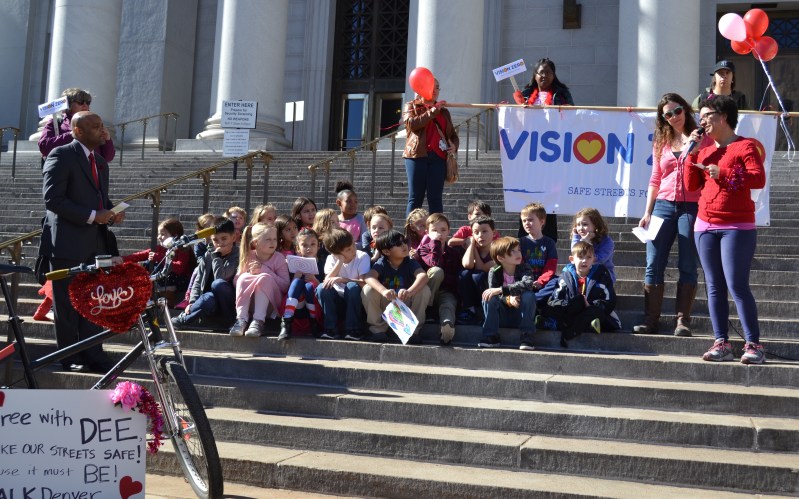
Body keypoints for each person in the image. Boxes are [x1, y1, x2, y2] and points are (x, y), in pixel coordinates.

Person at [40, 111, 124, 373]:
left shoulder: (100, 162)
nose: (102, 131)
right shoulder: (61, 155)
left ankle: (93, 354)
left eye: (102, 125)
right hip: (67, 243)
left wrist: (111, 212)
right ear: (78, 131)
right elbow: (53, 199)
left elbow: (99, 200)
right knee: (67, 304)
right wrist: (91, 216)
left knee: (94, 301)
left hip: (96, 244)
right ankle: (70, 356)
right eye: (96, 126)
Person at [686, 96, 766, 364]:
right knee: (714, 286)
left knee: (736, 284)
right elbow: (690, 184)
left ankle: (753, 344)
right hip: (705, 224)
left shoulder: (745, 146)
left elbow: (758, 178)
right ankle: (721, 342)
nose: (702, 120)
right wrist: (692, 152)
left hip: (737, 225)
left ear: (723, 116)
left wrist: (723, 173)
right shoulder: (706, 149)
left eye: (706, 115)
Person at [635, 93, 708, 337]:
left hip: (691, 205)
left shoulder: (701, 137)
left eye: (677, 111)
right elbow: (655, 178)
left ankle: (682, 321)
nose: (674, 117)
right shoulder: (662, 141)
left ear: (686, 110)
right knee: (653, 262)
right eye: (667, 114)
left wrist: (694, 146)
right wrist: (647, 211)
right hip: (663, 205)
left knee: (688, 263)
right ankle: (651, 319)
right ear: (663, 119)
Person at [513, 58, 573, 242]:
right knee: (527, 199)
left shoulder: (561, 94)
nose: (544, 76)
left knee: (549, 200)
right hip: (530, 156)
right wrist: (518, 109)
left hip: (551, 156)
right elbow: (515, 124)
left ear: (554, 76)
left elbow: (572, 116)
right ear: (535, 75)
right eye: (541, 72)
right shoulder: (525, 94)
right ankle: (524, 240)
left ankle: (549, 242)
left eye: (548, 72)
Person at [544, 241, 621, 348]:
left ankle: (568, 332)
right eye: (580, 257)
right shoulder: (565, 278)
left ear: (594, 259)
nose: (584, 261)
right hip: (572, 309)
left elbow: (610, 300)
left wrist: (589, 304)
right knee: (574, 302)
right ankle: (588, 325)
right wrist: (570, 303)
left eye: (589, 257)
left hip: (592, 310)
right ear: (572, 259)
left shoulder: (601, 276)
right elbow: (555, 299)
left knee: (594, 312)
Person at [402, 78, 459, 217]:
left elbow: (452, 135)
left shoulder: (444, 112)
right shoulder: (411, 106)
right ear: (422, 88)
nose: (435, 91)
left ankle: (438, 233)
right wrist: (433, 111)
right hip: (416, 156)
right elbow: (412, 124)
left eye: (437, 88)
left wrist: (454, 145)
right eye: (432, 87)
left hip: (438, 157)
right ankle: (410, 233)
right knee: (415, 197)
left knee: (435, 198)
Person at [362, 230, 431, 343]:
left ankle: (413, 331)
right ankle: (378, 330)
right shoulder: (382, 263)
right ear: (386, 251)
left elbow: (423, 276)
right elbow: (369, 277)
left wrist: (409, 292)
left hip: (406, 303)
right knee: (368, 289)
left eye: (404, 241)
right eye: (398, 244)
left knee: (424, 289)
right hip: (387, 304)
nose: (404, 245)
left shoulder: (410, 262)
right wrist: (384, 291)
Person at [171, 217, 238, 330]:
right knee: (208, 297)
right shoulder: (208, 254)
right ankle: (184, 319)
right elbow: (198, 279)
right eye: (215, 240)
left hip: (229, 302)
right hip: (211, 302)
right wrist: (192, 302)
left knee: (217, 284)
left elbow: (221, 276)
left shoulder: (238, 255)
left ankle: (231, 321)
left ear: (234, 237)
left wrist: (217, 257)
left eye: (224, 239)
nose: (220, 243)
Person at [230, 223, 290, 337]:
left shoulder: (279, 258)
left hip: (271, 306)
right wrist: (250, 274)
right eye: (268, 239)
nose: (273, 242)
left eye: (274, 239)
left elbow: (285, 286)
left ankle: (258, 322)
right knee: (243, 277)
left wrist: (265, 270)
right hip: (250, 304)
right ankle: (241, 320)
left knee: (264, 278)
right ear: (255, 242)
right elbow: (236, 281)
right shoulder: (248, 256)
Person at [477, 237, 537, 350]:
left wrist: (502, 290)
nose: (518, 253)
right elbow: (494, 294)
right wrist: (508, 299)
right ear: (500, 258)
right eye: (512, 251)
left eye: (518, 250)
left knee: (529, 295)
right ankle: (491, 336)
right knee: (489, 296)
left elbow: (528, 284)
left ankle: (527, 336)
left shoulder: (525, 268)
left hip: (520, 314)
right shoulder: (494, 271)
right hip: (502, 315)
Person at [415, 213, 464, 345]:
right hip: (427, 291)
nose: (439, 234)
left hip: (445, 291)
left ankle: (446, 328)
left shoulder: (454, 252)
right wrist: (435, 243)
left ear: (449, 231)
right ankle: (429, 310)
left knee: (447, 304)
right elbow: (434, 264)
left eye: (443, 230)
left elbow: (456, 275)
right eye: (435, 230)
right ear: (427, 232)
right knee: (437, 271)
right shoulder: (423, 250)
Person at [122, 217, 195, 303]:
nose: (159, 237)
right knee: (147, 263)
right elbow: (140, 255)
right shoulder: (160, 248)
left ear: (174, 236)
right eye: (159, 234)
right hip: (165, 277)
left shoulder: (183, 248)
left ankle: (168, 297)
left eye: (163, 234)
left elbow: (179, 268)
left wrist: (160, 257)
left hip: (179, 281)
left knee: (153, 264)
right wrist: (121, 259)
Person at [316, 228, 370, 340]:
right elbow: (327, 281)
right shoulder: (331, 259)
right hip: (337, 302)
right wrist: (340, 261)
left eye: (353, 245)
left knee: (352, 286)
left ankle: (353, 329)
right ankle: (331, 329)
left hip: (355, 301)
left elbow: (363, 282)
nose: (354, 249)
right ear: (337, 254)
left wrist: (343, 279)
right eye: (349, 249)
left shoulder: (362, 256)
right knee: (322, 288)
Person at [38, 88, 115, 164]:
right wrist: (72, 134)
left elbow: (107, 157)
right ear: (69, 104)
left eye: (88, 102)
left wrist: (107, 140)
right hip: (66, 170)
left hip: (89, 172)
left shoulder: (95, 125)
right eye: (80, 102)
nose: (85, 105)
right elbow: (44, 147)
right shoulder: (56, 123)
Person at [279, 228, 324, 341]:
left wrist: (315, 281)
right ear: (298, 248)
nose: (309, 248)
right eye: (304, 245)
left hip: (315, 307)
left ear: (318, 246)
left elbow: (326, 288)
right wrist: (295, 278)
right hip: (296, 307)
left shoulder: (323, 264)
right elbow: (287, 289)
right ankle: (286, 323)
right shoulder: (293, 264)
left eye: (313, 244)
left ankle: (313, 322)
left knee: (309, 286)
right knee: (298, 282)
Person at [457, 216, 496, 325]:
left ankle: (484, 311)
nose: (480, 235)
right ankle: (470, 309)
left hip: (491, 290)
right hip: (474, 291)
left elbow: (481, 268)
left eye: (484, 231)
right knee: (463, 274)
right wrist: (472, 246)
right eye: (476, 232)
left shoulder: (497, 250)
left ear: (493, 232)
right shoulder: (474, 247)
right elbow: (467, 264)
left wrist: (473, 247)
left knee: (478, 275)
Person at [571, 207, 615, 282]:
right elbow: (575, 254)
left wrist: (586, 242)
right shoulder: (578, 238)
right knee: (568, 269)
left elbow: (599, 260)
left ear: (595, 225)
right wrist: (581, 240)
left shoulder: (607, 241)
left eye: (585, 224)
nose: (580, 228)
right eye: (578, 225)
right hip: (582, 273)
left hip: (602, 275)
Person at [335, 181, 368, 249]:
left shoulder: (360, 219)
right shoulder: (334, 220)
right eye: (349, 201)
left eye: (355, 202)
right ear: (338, 203)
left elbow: (364, 242)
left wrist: (347, 246)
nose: (353, 204)